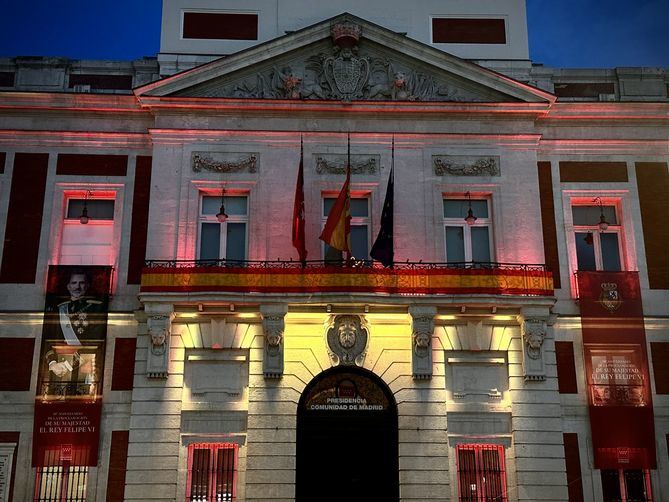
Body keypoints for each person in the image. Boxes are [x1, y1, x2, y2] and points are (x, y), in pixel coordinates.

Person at [42, 270, 106, 395]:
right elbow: (49, 337)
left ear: (87, 286)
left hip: (84, 365)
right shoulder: (60, 309)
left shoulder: (96, 308)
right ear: (68, 286)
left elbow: (94, 343)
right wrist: (53, 362)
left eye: (81, 283)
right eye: (74, 283)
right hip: (59, 365)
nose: (77, 286)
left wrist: (67, 366)